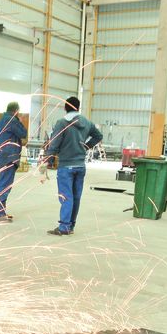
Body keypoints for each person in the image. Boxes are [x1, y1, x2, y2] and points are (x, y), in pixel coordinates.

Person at [45, 96, 103, 236]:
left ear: (66, 107)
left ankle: (64, 226)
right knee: (76, 197)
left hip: (66, 166)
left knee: (66, 196)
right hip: (80, 166)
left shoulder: (62, 122)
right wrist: (87, 146)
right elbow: (98, 136)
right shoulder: (87, 122)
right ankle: (71, 226)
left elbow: (54, 143)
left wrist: (49, 158)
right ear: (78, 107)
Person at [0, 102, 27, 221]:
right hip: (8, 156)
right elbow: (23, 134)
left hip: (2, 155)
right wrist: (20, 120)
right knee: (5, 185)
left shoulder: (2, 120)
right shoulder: (13, 120)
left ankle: (0, 211)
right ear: (16, 111)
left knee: (2, 183)